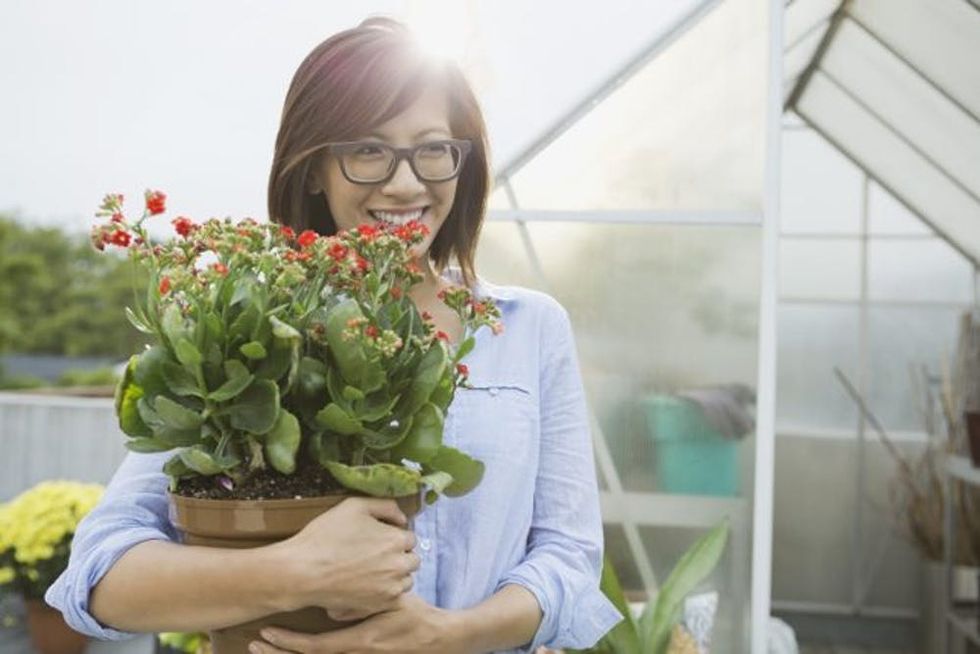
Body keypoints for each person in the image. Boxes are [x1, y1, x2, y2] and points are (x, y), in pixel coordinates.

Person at [46, 17, 621, 654]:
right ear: (315, 168)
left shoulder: (529, 327)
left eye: (433, 148)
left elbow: (568, 562)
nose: (406, 184)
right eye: (368, 150)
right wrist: (296, 570)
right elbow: (99, 579)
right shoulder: (258, 330)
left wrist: (444, 636)